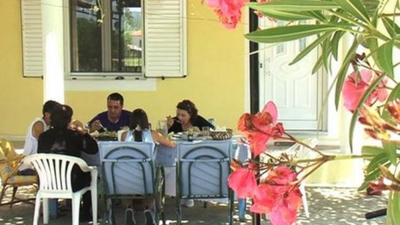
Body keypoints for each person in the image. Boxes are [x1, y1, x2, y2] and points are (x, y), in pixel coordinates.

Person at [38, 105, 99, 222]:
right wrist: (83, 133)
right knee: (91, 175)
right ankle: (85, 213)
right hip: (72, 183)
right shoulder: (74, 136)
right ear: (69, 120)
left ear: (51, 120)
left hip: (47, 181)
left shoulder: (43, 137)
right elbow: (93, 149)